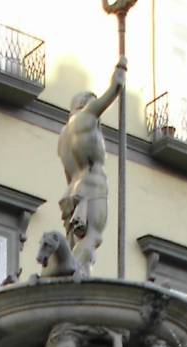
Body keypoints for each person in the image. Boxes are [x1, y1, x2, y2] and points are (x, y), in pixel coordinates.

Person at [56, 58, 126, 276]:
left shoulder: (63, 136)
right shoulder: (86, 117)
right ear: (86, 105)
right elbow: (114, 90)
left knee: (78, 243)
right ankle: (68, 272)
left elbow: (68, 175)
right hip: (92, 184)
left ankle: (77, 275)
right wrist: (120, 71)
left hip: (72, 192)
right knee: (93, 237)